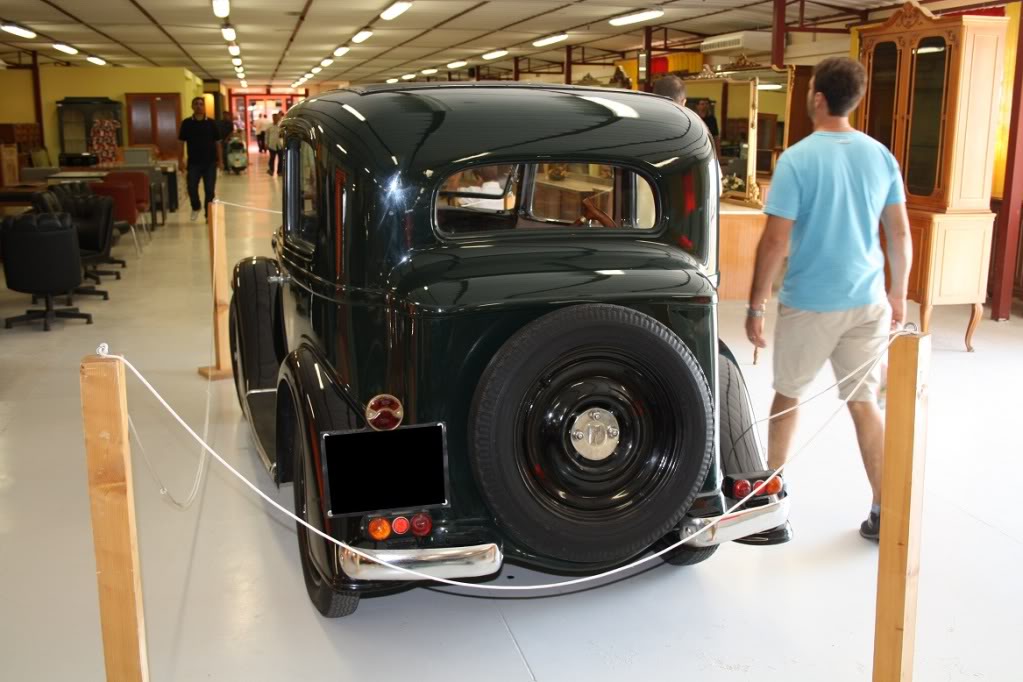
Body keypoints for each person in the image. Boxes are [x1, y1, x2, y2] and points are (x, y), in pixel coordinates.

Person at [745, 57, 912, 542]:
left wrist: (756, 304)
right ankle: (884, 510)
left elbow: (775, 242)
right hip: (868, 300)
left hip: (812, 302)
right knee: (864, 405)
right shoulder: (881, 156)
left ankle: (770, 506)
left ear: (817, 97)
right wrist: (897, 295)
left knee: (788, 396)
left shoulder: (797, 158)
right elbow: (899, 235)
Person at [178, 96, 222, 221]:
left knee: (209, 190)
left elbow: (218, 143)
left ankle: (208, 215)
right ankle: (195, 207)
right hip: (193, 163)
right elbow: (181, 143)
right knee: (191, 187)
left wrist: (221, 161)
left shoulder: (211, 123)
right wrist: (180, 160)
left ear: (204, 107)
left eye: (201, 104)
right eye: (196, 104)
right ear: (192, 107)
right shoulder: (186, 123)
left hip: (210, 163)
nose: (198, 106)